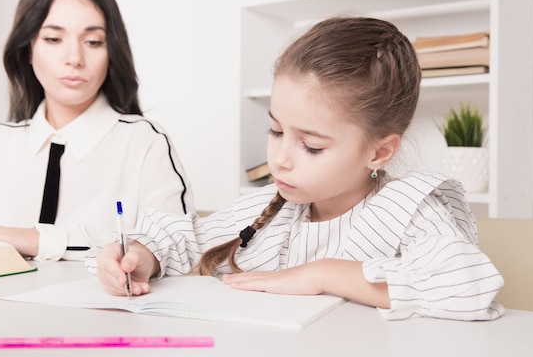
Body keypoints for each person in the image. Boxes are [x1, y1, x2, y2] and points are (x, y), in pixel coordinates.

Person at [89, 16, 505, 321]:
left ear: (378, 153)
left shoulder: (409, 211)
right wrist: (141, 257)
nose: (281, 158)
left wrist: (321, 274)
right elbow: (186, 238)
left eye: (311, 145)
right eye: (275, 130)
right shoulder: (274, 209)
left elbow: (469, 285)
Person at [0, 0, 194, 261]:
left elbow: (180, 248)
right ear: (28, 49)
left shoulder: (144, 143)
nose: (74, 59)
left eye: (93, 42)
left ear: (112, 51)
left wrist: (41, 241)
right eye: (53, 39)